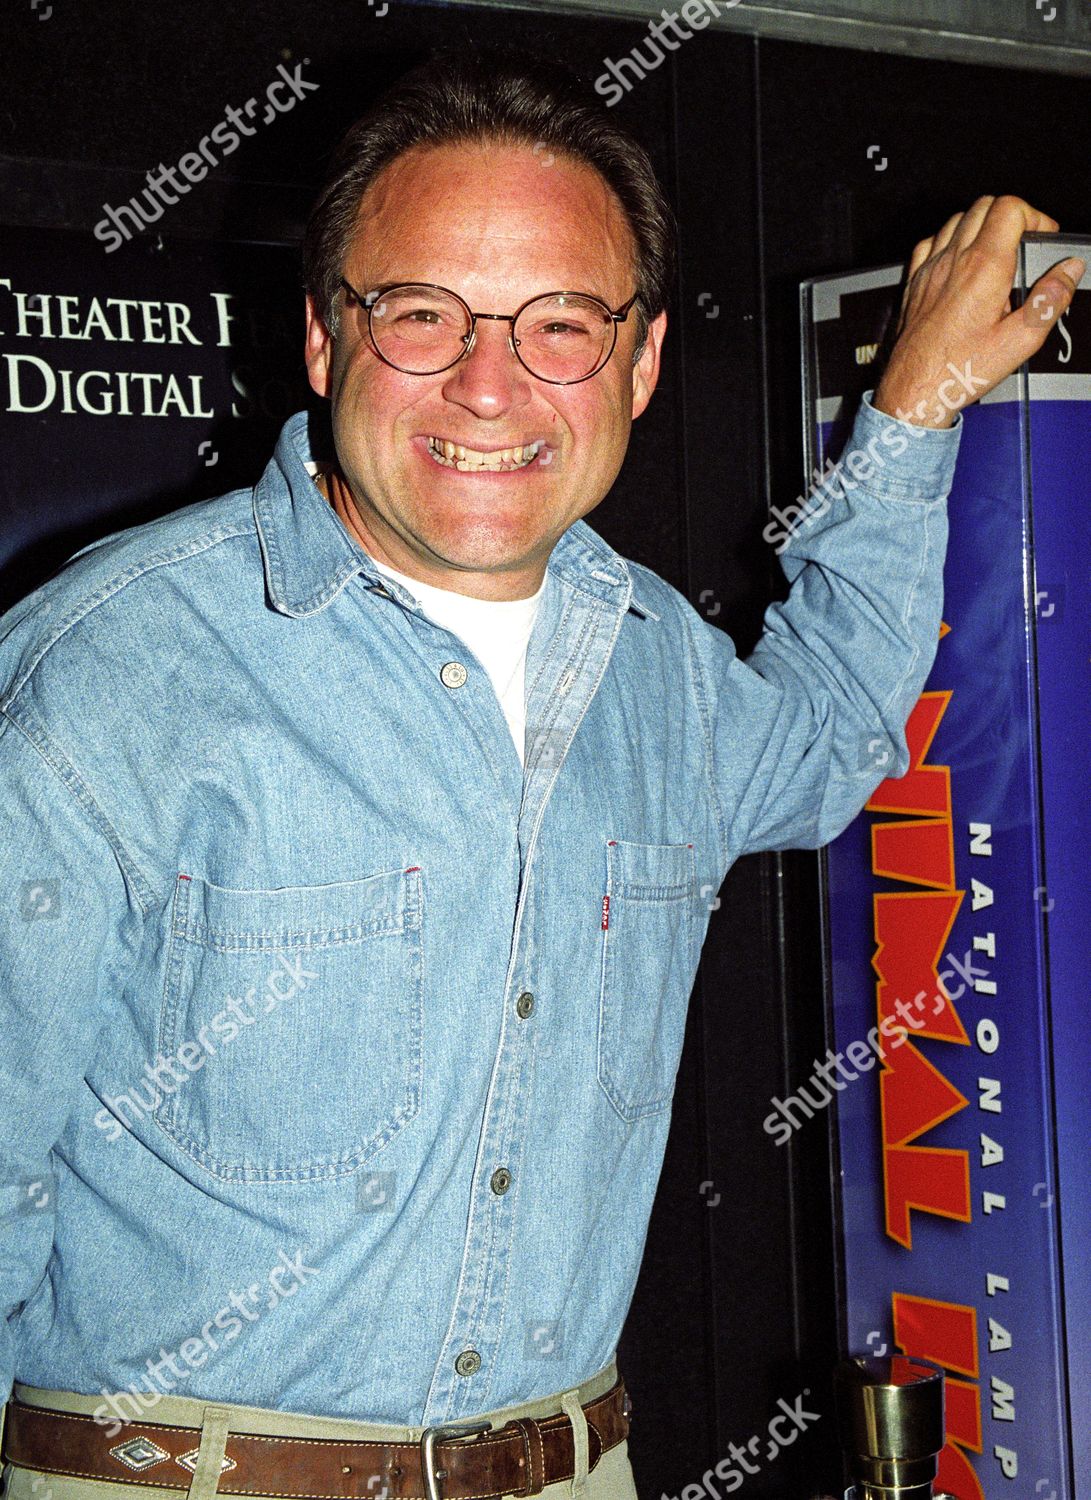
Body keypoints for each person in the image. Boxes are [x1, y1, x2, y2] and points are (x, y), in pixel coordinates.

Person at [0, 44, 1081, 1500]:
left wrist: (912, 410)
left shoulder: (656, 665)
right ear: (325, 340)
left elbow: (825, 741)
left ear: (637, 363)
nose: (492, 385)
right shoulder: (107, 672)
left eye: (560, 325)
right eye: (423, 316)